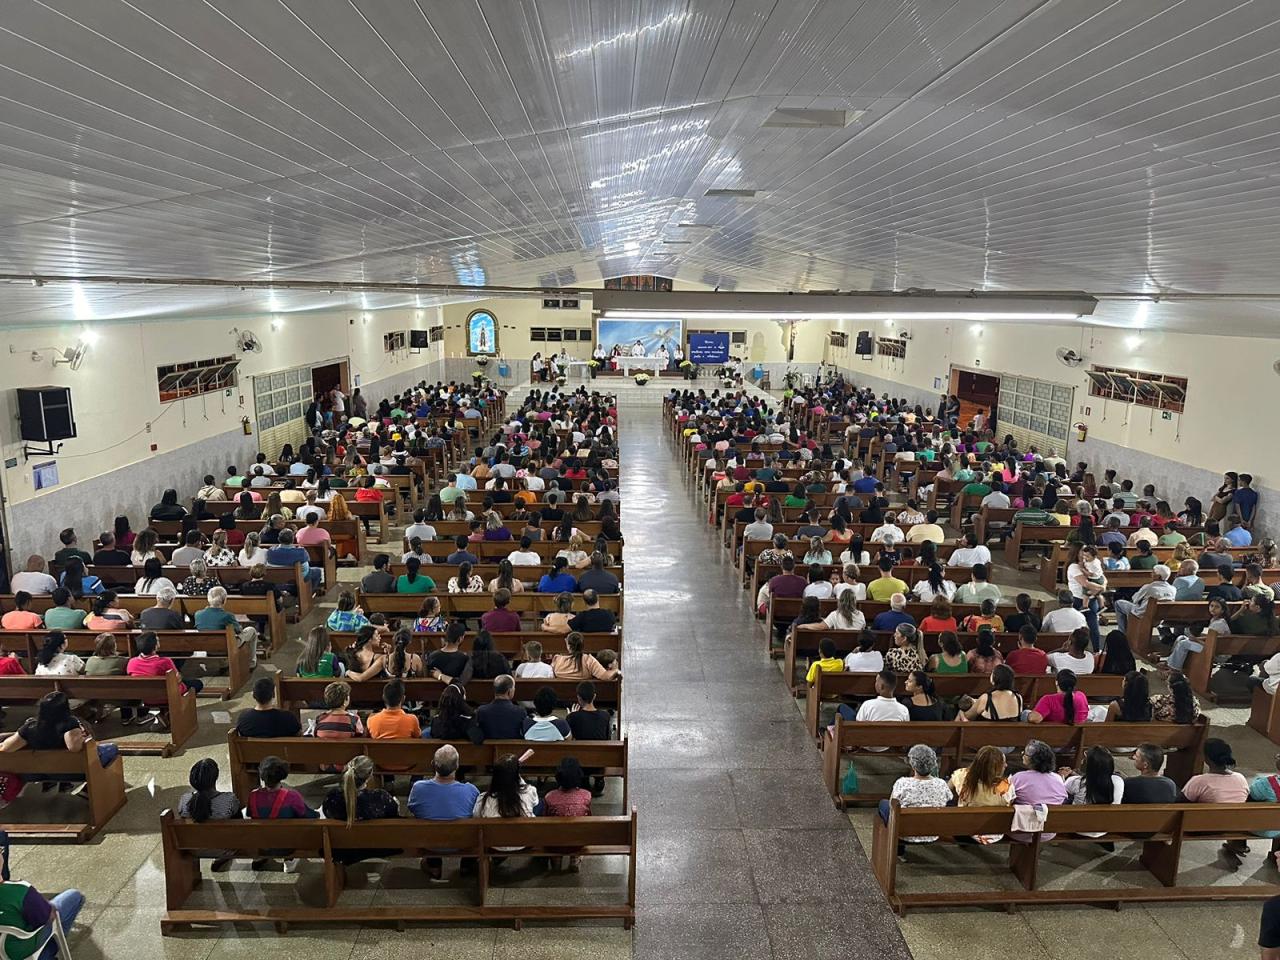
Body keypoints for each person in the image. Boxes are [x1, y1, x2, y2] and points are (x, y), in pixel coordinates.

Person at [408, 744, 481, 880]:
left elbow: (413, 809)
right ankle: (467, 866)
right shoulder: (471, 790)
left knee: (429, 819)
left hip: (429, 842)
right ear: (457, 766)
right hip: (462, 842)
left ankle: (434, 866)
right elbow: (477, 813)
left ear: (432, 765)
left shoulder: (418, 788)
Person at [878, 744, 951, 851]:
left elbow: (892, 805)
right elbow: (949, 799)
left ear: (913, 765)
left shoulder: (902, 783)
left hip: (904, 833)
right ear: (933, 763)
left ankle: (897, 849)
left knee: (883, 804)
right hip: (933, 833)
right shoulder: (942, 784)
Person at [1009, 739, 1068, 840]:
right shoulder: (1057, 778)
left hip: (1020, 830)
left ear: (1032, 759)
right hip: (1049, 831)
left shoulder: (1018, 778)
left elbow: (1007, 799)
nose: (1022, 754)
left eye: (1025, 753)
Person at [1060, 746, 1124, 838]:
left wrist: (1062, 776)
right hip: (1105, 827)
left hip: (1078, 828)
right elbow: (1097, 778)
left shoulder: (1076, 782)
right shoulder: (1118, 781)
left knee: (1065, 797)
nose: (1082, 761)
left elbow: (1060, 789)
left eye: (1084, 760)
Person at [1114, 564, 1176, 634]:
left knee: (1118, 603)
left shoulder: (1148, 587)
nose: (1151, 574)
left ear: (1158, 576)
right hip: (1160, 618)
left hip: (1143, 615)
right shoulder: (1173, 589)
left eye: (1153, 572)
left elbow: (1134, 599)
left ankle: (1122, 633)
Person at [235, 676, 302, 738]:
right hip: (280, 750)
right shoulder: (288, 717)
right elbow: (299, 736)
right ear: (273, 695)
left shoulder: (243, 718)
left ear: (253, 695)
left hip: (253, 751)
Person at [475, 675, 528, 740]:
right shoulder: (520, 711)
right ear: (509, 691)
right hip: (513, 749)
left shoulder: (481, 711)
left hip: (488, 749)